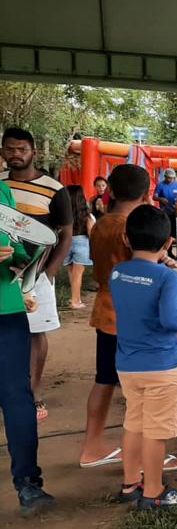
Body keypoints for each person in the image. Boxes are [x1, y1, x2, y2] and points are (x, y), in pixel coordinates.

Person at [79, 164, 177, 476]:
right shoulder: (133, 227)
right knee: (147, 390)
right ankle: (144, 456)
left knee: (105, 380)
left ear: (110, 191)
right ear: (147, 193)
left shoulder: (101, 224)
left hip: (106, 310)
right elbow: (143, 271)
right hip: (135, 319)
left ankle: (92, 446)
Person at [110, 206, 177, 509]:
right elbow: (171, 320)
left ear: (126, 239)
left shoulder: (118, 272)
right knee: (155, 433)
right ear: (168, 242)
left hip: (127, 365)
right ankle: (153, 493)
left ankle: (130, 485)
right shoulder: (167, 277)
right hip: (161, 366)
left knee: (133, 425)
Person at [1, 127, 73, 424]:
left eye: (21, 149)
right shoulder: (0, 185)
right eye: (9, 149)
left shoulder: (54, 189)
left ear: (34, 152)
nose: (15, 154)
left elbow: (66, 234)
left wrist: (49, 273)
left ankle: (33, 389)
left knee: (34, 332)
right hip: (2, 276)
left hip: (35, 274)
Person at [1, 178, 54, 514]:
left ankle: (28, 484)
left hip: (7, 310)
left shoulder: (2, 192)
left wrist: (27, 259)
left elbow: (16, 245)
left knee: (17, 396)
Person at [63, 185, 95, 310]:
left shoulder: (64, 215)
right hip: (82, 243)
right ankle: (75, 301)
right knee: (78, 275)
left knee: (71, 273)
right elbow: (91, 233)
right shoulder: (86, 215)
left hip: (66, 243)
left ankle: (74, 298)